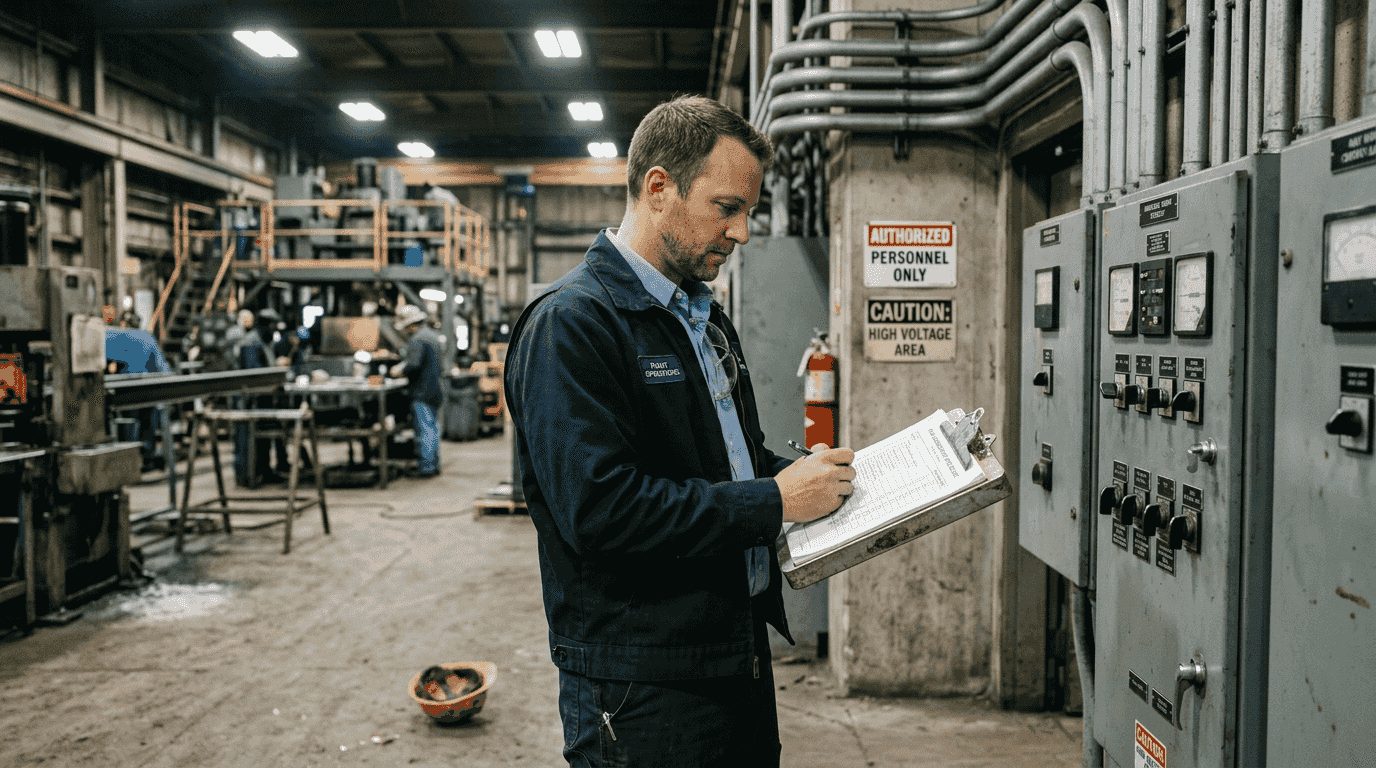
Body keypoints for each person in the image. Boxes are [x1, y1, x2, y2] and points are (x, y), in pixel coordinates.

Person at [504, 95, 856, 767]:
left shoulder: (699, 315)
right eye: (727, 208)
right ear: (659, 188)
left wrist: (810, 476)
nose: (742, 232)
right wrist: (775, 502)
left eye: (747, 211)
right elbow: (601, 510)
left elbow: (723, 458)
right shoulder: (573, 324)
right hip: (643, 682)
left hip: (732, 649)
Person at [390, 304, 443, 477]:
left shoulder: (417, 340)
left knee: (425, 429)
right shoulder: (432, 336)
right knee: (432, 428)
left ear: (411, 325)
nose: (405, 331)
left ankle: (427, 467)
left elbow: (413, 364)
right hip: (434, 390)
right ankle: (433, 464)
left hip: (422, 391)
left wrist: (399, 370)